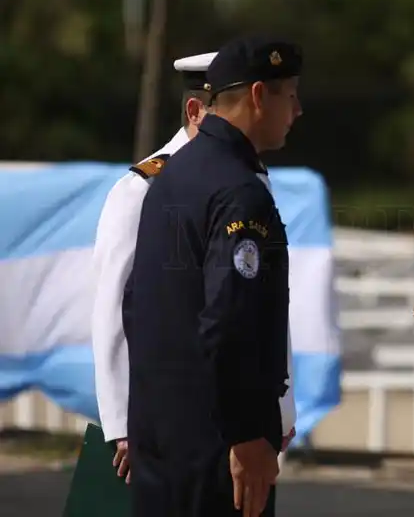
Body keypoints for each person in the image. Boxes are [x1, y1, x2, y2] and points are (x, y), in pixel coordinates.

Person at [126, 34, 303, 517]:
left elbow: (136, 305)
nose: (299, 110)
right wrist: (248, 435)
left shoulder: (174, 176)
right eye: (290, 95)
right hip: (217, 453)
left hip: (162, 442)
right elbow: (231, 321)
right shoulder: (238, 191)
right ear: (258, 96)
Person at [90, 51, 216, 482]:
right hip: (160, 418)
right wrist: (124, 421)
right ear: (195, 111)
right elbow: (112, 308)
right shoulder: (142, 189)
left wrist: (279, 410)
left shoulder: (251, 182)